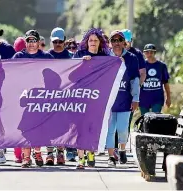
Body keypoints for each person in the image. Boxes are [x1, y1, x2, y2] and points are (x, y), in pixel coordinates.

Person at [13, 30, 54, 168]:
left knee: (39, 126)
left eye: (34, 41)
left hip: (40, 96)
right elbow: (8, 69)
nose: (31, 44)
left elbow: (61, 69)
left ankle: (37, 152)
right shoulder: (19, 56)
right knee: (25, 128)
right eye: (29, 41)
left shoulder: (46, 56)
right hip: (24, 95)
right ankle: (26, 157)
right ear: (25, 42)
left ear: (38, 42)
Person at [72, 28, 110, 169]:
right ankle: (80, 159)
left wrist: (120, 61)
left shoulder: (105, 57)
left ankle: (91, 152)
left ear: (100, 42)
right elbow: (70, 73)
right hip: (80, 98)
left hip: (97, 98)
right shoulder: (80, 54)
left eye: (95, 40)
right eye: (90, 40)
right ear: (86, 42)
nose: (93, 42)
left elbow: (113, 72)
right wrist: (81, 63)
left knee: (93, 128)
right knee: (80, 129)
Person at [106, 30, 140, 167]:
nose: (116, 43)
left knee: (122, 128)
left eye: (119, 40)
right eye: (113, 40)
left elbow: (135, 80)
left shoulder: (132, 58)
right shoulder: (106, 57)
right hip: (109, 101)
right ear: (110, 43)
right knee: (109, 130)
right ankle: (111, 156)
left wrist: (136, 98)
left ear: (124, 42)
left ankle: (122, 149)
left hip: (125, 99)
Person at [45, 27, 76, 166]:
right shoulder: (46, 56)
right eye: (55, 41)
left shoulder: (71, 56)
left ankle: (61, 153)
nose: (58, 44)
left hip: (65, 97)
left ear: (64, 41)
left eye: (60, 41)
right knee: (49, 125)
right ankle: (50, 153)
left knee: (63, 125)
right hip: (49, 97)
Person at [140, 44, 171, 115]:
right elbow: (136, 82)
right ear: (144, 53)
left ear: (154, 53)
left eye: (151, 52)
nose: (149, 54)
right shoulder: (141, 65)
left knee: (156, 118)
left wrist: (168, 97)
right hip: (143, 98)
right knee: (144, 119)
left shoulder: (161, 66)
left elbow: (166, 82)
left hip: (157, 98)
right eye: (147, 52)